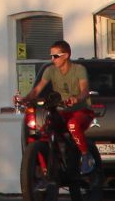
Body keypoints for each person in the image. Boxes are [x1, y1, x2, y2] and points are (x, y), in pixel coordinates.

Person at [16, 40, 95, 171]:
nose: (52, 59)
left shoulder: (79, 69)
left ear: (66, 55)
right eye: (51, 56)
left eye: (56, 56)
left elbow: (85, 90)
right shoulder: (50, 70)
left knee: (72, 124)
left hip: (80, 110)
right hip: (62, 110)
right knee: (46, 127)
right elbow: (37, 90)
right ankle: (48, 166)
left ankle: (86, 156)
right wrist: (25, 99)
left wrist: (77, 98)